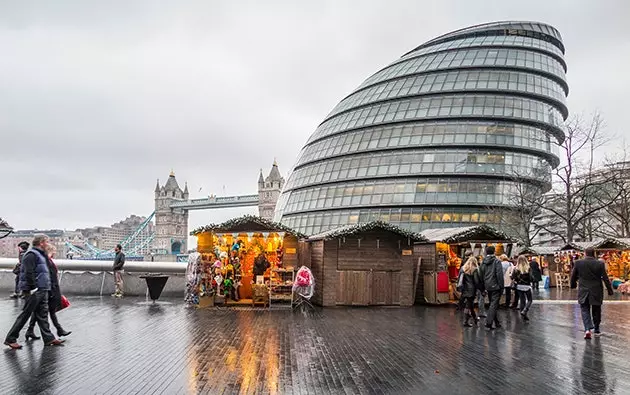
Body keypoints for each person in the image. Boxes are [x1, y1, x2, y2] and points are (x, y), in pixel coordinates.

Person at [4, 234, 64, 349]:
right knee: (25, 314)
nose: (48, 243)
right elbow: (28, 272)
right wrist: (33, 287)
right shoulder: (31, 254)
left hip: (43, 289)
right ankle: (10, 338)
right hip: (35, 290)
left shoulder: (41, 255)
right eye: (47, 241)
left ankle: (49, 338)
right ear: (41, 243)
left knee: (42, 315)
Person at [25, 245, 71, 339]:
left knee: (40, 311)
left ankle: (30, 330)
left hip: (48, 289)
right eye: (54, 251)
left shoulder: (47, 260)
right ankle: (58, 330)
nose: (55, 253)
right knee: (49, 311)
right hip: (48, 289)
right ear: (50, 251)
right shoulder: (46, 261)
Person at [570, 247, 614, 339]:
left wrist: (573, 285)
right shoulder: (600, 264)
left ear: (585, 253)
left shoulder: (578, 263)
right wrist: (610, 290)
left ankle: (587, 329)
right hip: (596, 290)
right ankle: (597, 329)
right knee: (596, 309)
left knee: (585, 309)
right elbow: (605, 277)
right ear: (593, 254)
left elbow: (573, 276)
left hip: (583, 290)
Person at [479, 246, 504, 330]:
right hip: (496, 286)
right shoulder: (497, 261)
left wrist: (483, 287)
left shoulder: (483, 262)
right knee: (494, 304)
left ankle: (496, 322)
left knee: (492, 304)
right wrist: (501, 286)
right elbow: (499, 275)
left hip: (488, 286)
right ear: (494, 252)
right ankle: (488, 323)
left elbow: (480, 275)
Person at [458, 256, 481, 327]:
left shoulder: (463, 268)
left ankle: (475, 318)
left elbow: (459, 279)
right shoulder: (475, 269)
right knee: (468, 305)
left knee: (470, 305)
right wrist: (480, 289)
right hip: (471, 290)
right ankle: (465, 321)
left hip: (464, 289)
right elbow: (476, 281)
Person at [512, 255, 534, 321]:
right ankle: (525, 310)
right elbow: (531, 278)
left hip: (519, 286)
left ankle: (524, 315)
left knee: (522, 300)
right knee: (530, 300)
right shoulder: (528, 268)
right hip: (527, 286)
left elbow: (513, 277)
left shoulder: (516, 268)